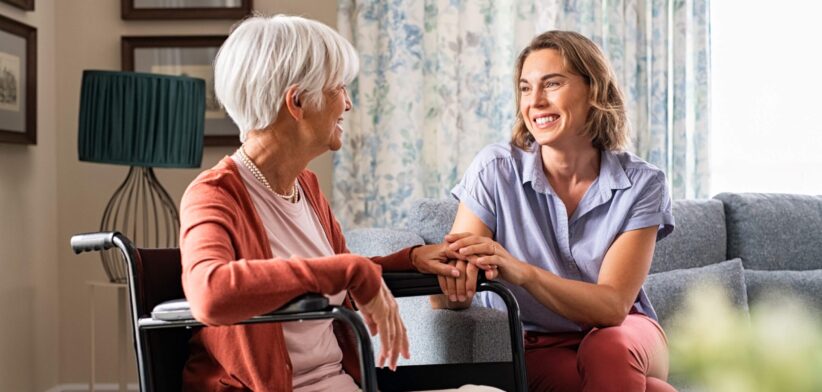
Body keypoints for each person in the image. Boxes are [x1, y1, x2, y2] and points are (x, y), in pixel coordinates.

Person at [179, 15, 463, 392]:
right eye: (339, 88)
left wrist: (409, 259)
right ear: (296, 102)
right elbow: (210, 294)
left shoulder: (306, 187)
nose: (347, 103)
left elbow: (332, 273)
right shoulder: (215, 194)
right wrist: (348, 270)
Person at [437, 31, 677, 392]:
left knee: (606, 348)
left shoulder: (642, 184)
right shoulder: (495, 170)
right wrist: (454, 282)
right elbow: (452, 282)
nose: (535, 101)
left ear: (593, 90)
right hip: (539, 343)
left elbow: (612, 307)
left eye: (552, 84)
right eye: (525, 88)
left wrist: (524, 274)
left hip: (626, 332)